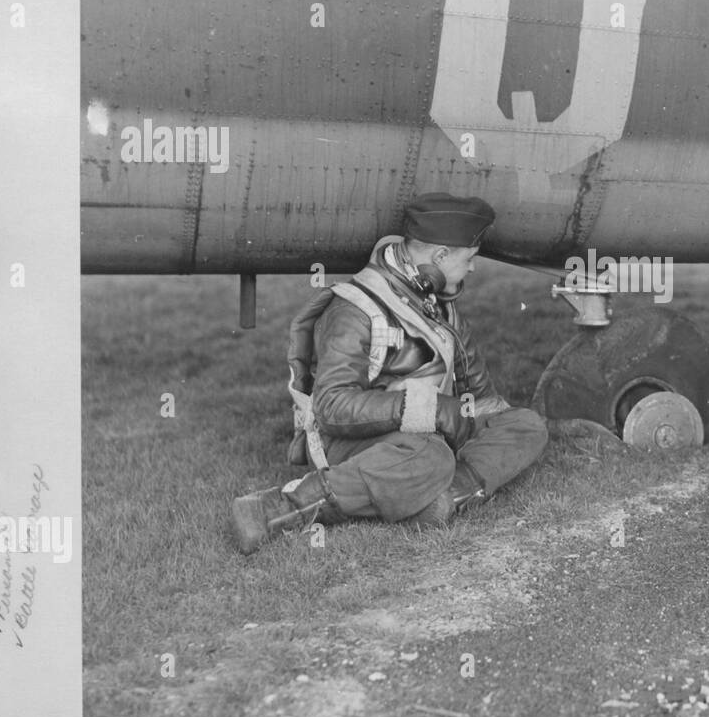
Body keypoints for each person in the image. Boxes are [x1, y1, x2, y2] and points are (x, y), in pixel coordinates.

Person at [231, 193, 549, 554]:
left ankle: (440, 500)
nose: (473, 269)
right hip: (360, 440)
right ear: (440, 256)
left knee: (527, 425)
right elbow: (332, 407)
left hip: (430, 437)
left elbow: (481, 397)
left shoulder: (440, 306)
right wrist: (429, 409)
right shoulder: (353, 308)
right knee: (429, 457)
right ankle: (283, 507)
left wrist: (503, 423)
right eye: (469, 259)